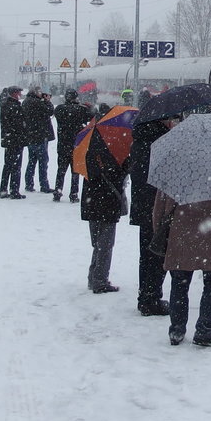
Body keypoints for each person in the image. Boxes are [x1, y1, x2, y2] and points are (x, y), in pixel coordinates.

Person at [153, 191, 211, 346]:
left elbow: (159, 209)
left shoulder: (171, 172)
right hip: (210, 238)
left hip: (180, 237)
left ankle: (176, 330)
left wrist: (161, 234)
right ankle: (204, 330)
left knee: (179, 283)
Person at [129, 115, 182, 316]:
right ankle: (150, 299)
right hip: (157, 207)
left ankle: (146, 296)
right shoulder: (161, 143)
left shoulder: (140, 140)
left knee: (147, 253)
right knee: (158, 254)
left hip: (143, 205)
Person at [78, 107, 130, 294]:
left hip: (91, 199)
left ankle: (94, 276)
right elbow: (118, 173)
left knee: (98, 241)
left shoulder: (87, 142)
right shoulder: (114, 145)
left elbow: (86, 172)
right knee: (106, 243)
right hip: (107, 199)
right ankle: (100, 280)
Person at [53, 89, 92, 202]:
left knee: (61, 170)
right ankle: (74, 194)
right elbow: (93, 116)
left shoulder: (59, 109)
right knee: (75, 171)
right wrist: (88, 107)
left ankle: (57, 191)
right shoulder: (81, 110)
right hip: (76, 145)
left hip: (62, 144)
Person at [22, 85, 55, 193]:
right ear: (36, 92)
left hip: (31, 135)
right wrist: (47, 101)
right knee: (43, 161)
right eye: (40, 92)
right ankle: (44, 185)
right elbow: (50, 111)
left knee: (32, 160)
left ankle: (29, 184)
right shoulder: (37, 103)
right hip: (40, 135)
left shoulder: (26, 101)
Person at [0, 85, 27, 199]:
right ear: (14, 93)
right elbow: (17, 124)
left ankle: (4, 189)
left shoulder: (6, 105)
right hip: (15, 140)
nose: (20, 95)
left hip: (9, 139)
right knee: (15, 166)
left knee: (8, 165)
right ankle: (14, 190)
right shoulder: (13, 106)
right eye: (19, 92)